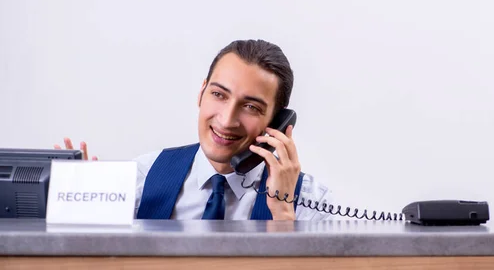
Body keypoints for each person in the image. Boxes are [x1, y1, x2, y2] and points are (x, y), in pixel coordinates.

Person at [55, 39, 332, 220]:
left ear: (277, 123)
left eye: (251, 107)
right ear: (201, 93)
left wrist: (282, 211)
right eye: (219, 95)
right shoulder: (142, 177)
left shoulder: (310, 201)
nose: (226, 120)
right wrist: (81, 202)